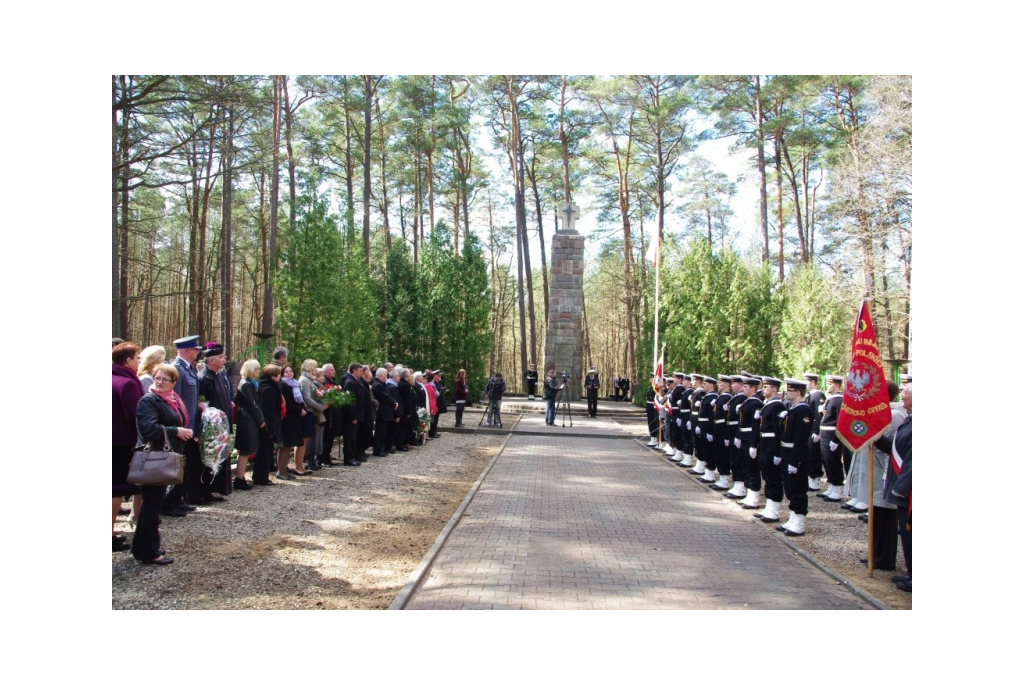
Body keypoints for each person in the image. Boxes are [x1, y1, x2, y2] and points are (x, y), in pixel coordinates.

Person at [134, 363, 195, 565]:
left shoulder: (172, 400)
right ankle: (147, 552)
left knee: (154, 504)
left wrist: (184, 432)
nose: (159, 382)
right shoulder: (149, 400)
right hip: (154, 458)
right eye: (157, 378)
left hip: (166, 457)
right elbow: (149, 429)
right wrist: (174, 431)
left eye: (164, 379)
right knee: (151, 506)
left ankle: (146, 546)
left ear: (173, 383)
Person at [876, 382, 912, 592]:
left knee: (910, 532)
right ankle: (910, 571)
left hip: (907, 490)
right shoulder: (909, 420)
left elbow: (912, 461)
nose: (903, 394)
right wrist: (877, 439)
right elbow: (894, 447)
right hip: (902, 488)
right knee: (906, 534)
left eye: (907, 393)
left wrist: (900, 487)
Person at [166, 335, 206, 511]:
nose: (198, 353)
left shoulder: (189, 369)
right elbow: (174, 400)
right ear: (188, 351)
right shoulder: (177, 369)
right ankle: (170, 502)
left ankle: (179, 499)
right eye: (196, 350)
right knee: (178, 463)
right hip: (182, 425)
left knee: (186, 463)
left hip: (190, 425)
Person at [112, 342, 144, 552]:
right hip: (121, 442)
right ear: (128, 360)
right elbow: (135, 416)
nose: (140, 361)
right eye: (137, 357)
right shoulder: (128, 383)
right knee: (115, 491)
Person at [776, 379, 815, 536]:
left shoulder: (803, 410)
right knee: (790, 488)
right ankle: (793, 518)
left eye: (790, 391)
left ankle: (799, 521)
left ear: (798, 392)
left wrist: (794, 461)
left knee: (798, 488)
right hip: (787, 452)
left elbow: (800, 438)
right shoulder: (792, 409)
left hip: (795, 454)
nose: (787, 393)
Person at [198, 342, 232, 497]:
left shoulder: (221, 375)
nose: (224, 359)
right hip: (211, 424)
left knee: (221, 454)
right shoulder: (203, 378)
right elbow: (202, 399)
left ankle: (217, 488)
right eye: (221, 357)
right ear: (211, 360)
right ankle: (205, 491)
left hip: (223, 424)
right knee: (210, 455)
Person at [753, 377, 786, 523]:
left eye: (767, 387)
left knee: (774, 478)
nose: (764, 389)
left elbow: (779, 430)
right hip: (765, 443)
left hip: (772, 445)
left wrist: (778, 452)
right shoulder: (767, 405)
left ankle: (774, 510)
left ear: (774, 389)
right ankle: (769, 506)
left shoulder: (777, 406)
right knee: (767, 476)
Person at [232, 359, 265, 490]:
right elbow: (252, 404)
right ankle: (239, 478)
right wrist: (260, 419)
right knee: (246, 450)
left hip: (249, 419)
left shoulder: (250, 383)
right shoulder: (246, 384)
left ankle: (241, 477)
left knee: (248, 449)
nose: (259, 371)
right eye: (257, 369)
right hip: (247, 420)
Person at [818, 374, 850, 502]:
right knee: (827, 461)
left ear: (837, 385)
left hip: (832, 434)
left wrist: (836, 440)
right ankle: (832, 485)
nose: (828, 386)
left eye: (831, 384)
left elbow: (841, 421)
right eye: (827, 383)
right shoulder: (831, 399)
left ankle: (837, 488)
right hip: (825, 433)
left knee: (833, 461)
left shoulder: (839, 400)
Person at [254, 364, 283, 486]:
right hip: (267, 425)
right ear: (273, 376)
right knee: (264, 452)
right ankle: (261, 477)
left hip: (268, 423)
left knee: (265, 451)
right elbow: (268, 410)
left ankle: (261, 475)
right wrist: (271, 429)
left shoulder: (266, 386)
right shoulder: (268, 389)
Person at [278, 365, 307, 478]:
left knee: (289, 445)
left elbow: (299, 400)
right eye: (286, 372)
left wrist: (303, 409)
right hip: (288, 417)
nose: (289, 373)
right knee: (284, 445)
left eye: (291, 371)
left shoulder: (295, 384)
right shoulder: (283, 385)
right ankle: (281, 471)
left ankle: (284, 470)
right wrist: (299, 410)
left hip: (295, 418)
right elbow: (287, 403)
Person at [299, 359, 327, 472]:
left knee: (310, 439)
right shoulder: (305, 380)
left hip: (312, 411)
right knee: (306, 440)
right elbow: (307, 398)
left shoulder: (309, 380)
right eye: (314, 368)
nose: (315, 370)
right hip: (308, 411)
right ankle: (305, 462)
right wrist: (320, 407)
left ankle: (310, 460)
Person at [804, 373, 826, 490]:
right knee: (809, 454)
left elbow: (819, 415)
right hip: (809, 430)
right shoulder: (809, 395)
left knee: (814, 455)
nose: (806, 384)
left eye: (807, 381)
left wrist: (817, 431)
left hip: (814, 430)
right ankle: (810, 477)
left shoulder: (818, 395)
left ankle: (815, 478)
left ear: (813, 382)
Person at [340, 362, 365, 466]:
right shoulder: (350, 382)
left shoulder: (356, 381)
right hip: (350, 416)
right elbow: (351, 401)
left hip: (357, 414)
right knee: (349, 438)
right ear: (354, 371)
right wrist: (353, 416)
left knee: (353, 437)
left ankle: (352, 456)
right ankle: (348, 458)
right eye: (360, 371)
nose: (361, 373)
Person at [372, 367, 398, 456]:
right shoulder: (378, 385)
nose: (386, 378)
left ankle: (380, 448)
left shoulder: (379, 384)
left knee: (383, 431)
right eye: (386, 375)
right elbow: (386, 396)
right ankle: (378, 449)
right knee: (380, 432)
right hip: (382, 412)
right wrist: (394, 403)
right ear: (381, 375)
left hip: (385, 411)